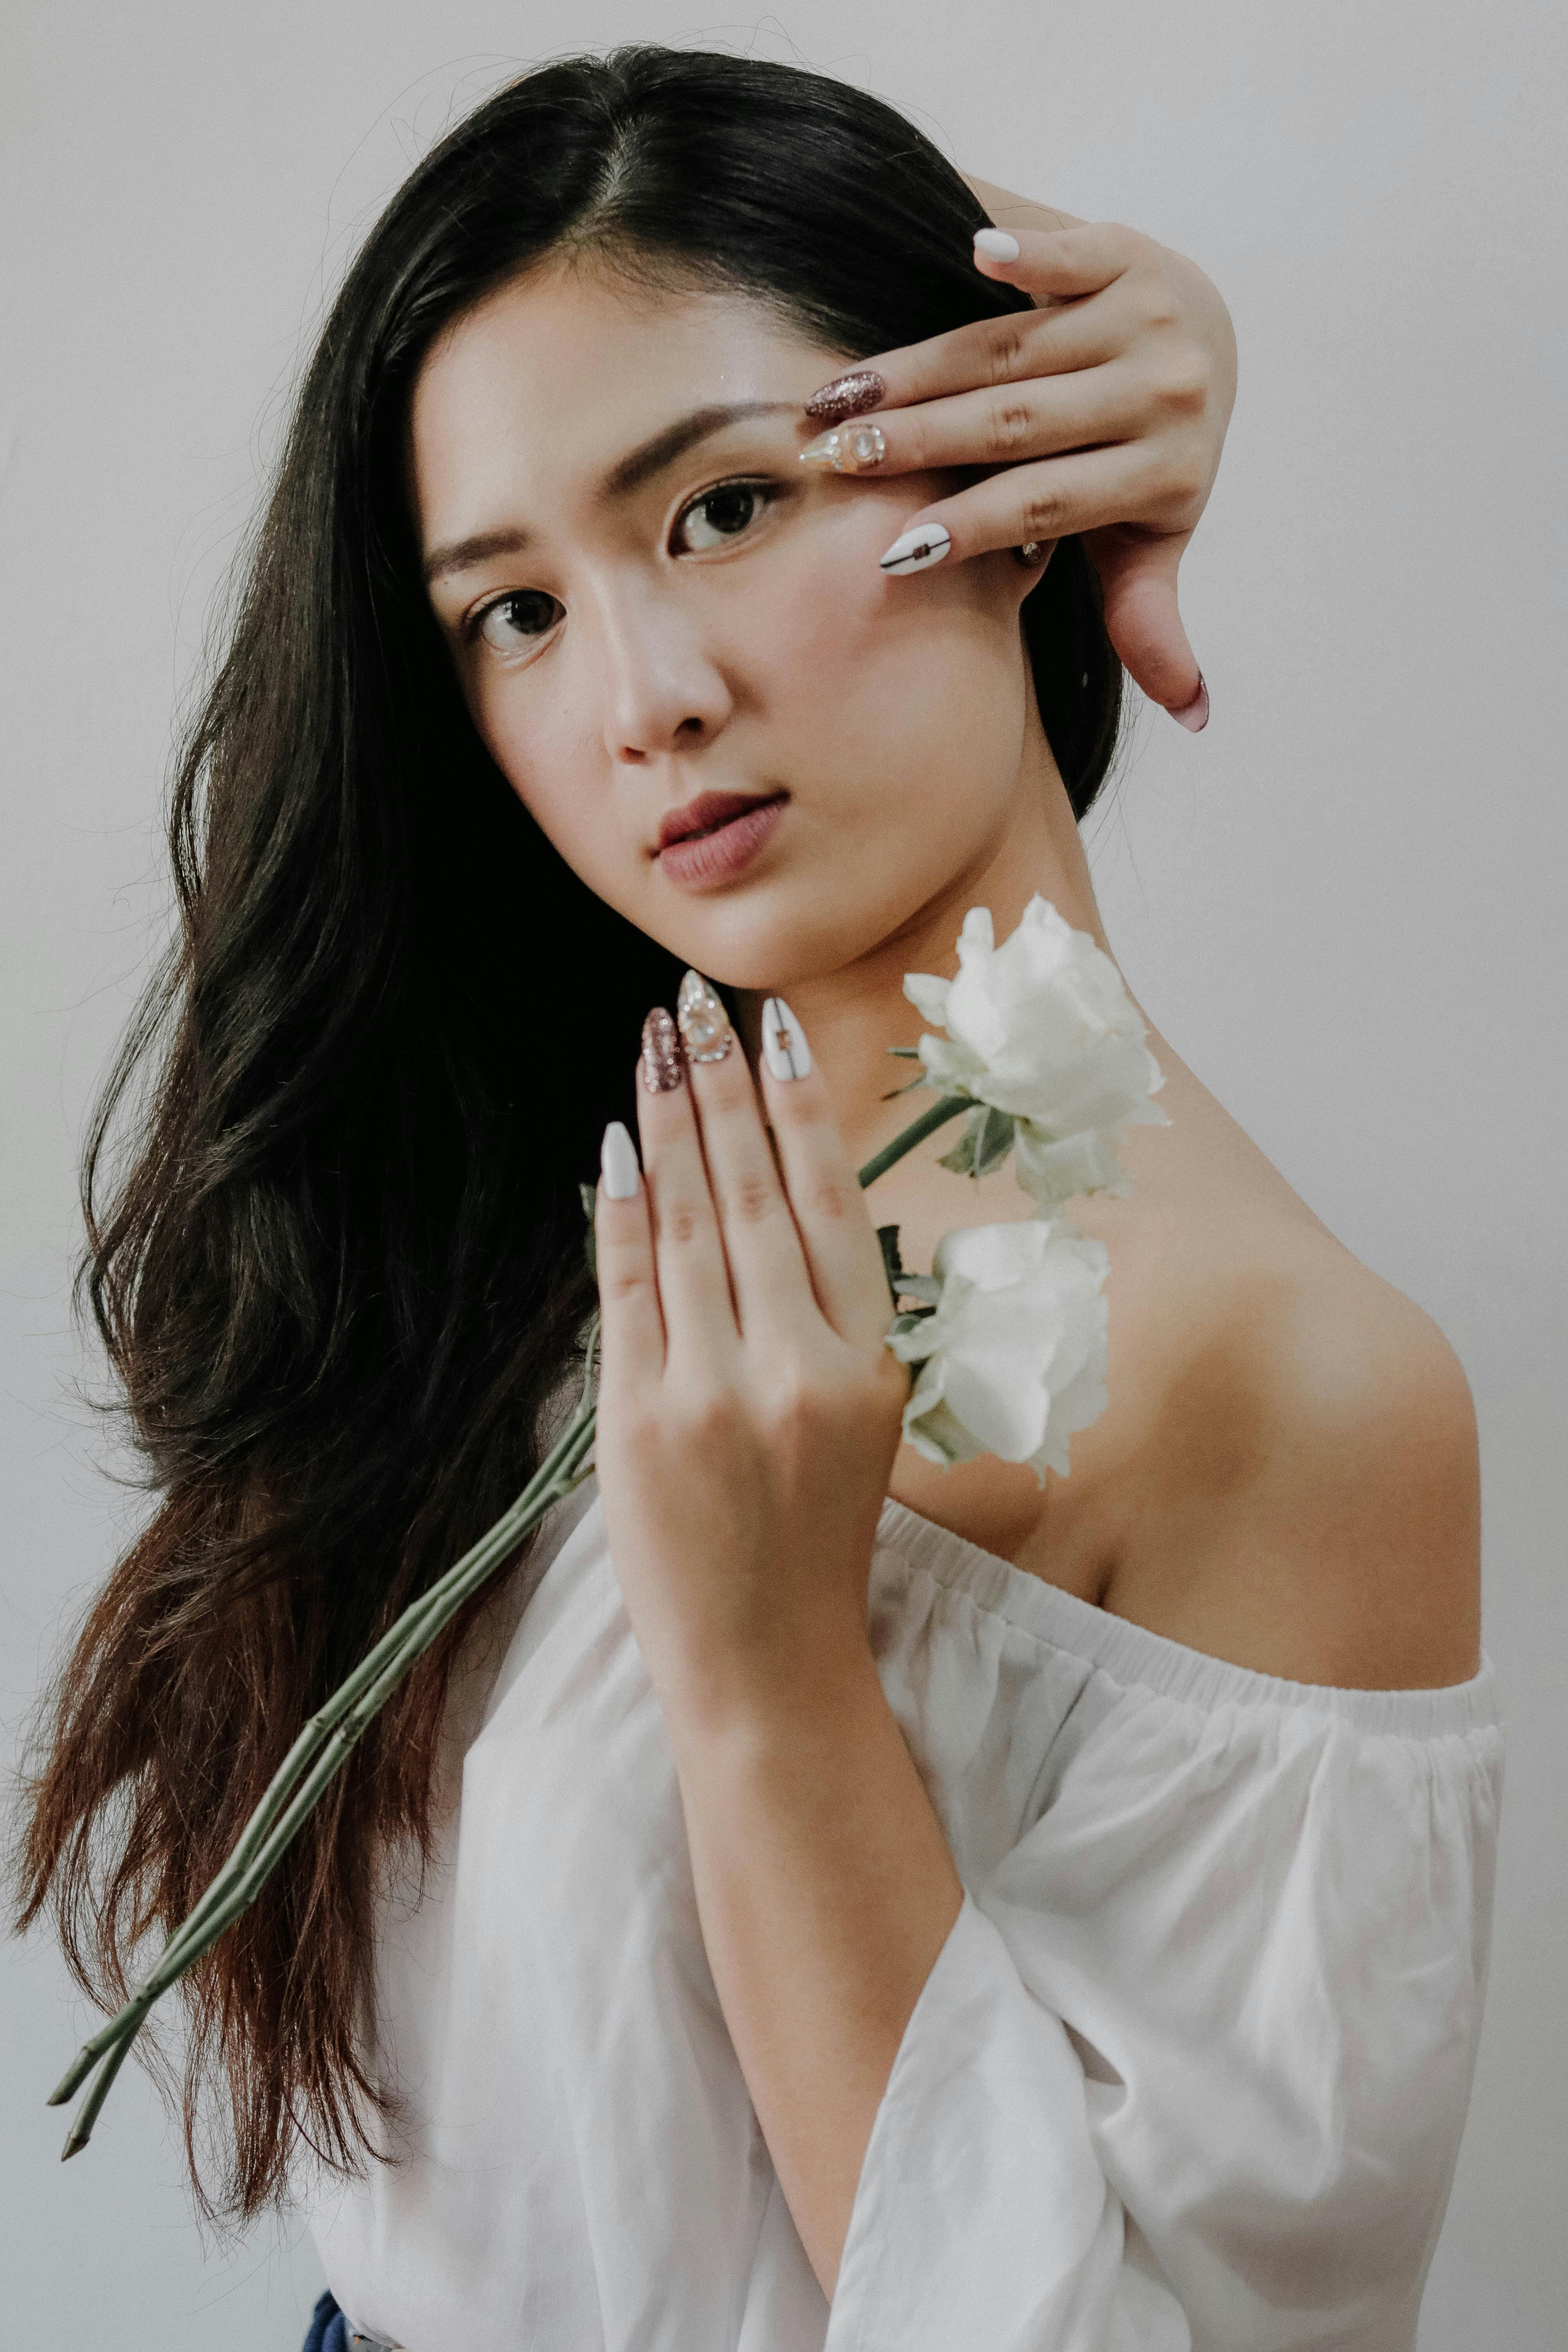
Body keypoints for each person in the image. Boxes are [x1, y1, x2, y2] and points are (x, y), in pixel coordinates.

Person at [12, 44, 1499, 2352]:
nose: (645, 696)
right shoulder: (559, 1178)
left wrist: (774, 1682)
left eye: (716, 510)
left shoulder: (1291, 1386)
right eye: (513, 611)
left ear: (1008, 462)